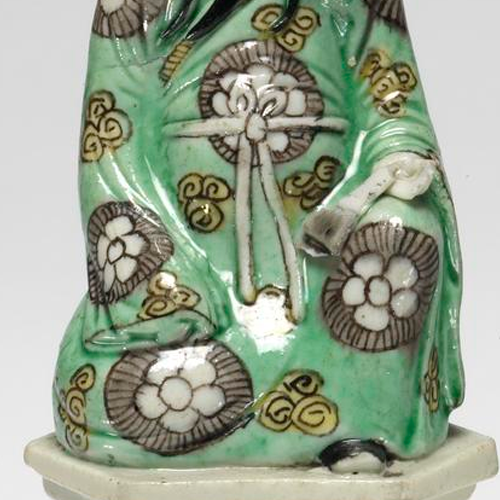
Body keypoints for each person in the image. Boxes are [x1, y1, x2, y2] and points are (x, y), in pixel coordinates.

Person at [53, 0, 464, 471]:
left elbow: (391, 103)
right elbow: (110, 147)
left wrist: (399, 157)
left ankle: (359, 419)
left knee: (402, 231)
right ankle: (333, 411)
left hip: (327, 266)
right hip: (198, 267)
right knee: (102, 392)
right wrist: (168, 284)